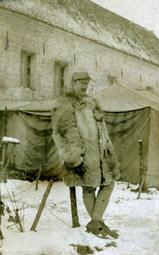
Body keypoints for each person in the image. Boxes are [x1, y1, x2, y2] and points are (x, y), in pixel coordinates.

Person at [52, 71, 120, 238]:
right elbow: (58, 133)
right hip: (83, 155)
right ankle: (97, 224)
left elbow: (103, 130)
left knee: (108, 184)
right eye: (80, 82)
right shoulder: (65, 105)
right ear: (72, 83)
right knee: (89, 188)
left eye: (86, 83)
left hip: (100, 153)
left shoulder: (93, 104)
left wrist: (108, 147)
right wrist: (70, 154)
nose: (84, 86)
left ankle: (96, 222)